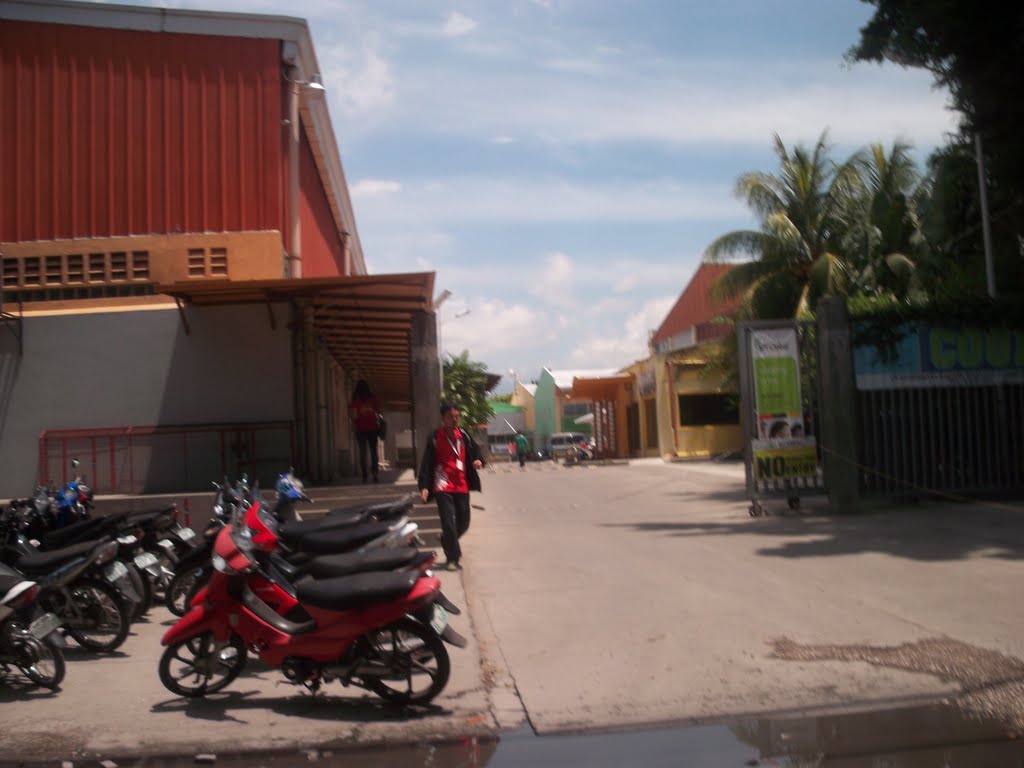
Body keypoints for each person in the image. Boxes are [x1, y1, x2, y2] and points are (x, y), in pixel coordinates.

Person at [418, 401, 484, 570]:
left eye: (456, 417)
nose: (454, 420)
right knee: (448, 523)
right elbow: (427, 463)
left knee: (464, 522)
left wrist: (478, 460)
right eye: (450, 417)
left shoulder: (463, 435)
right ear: (443, 418)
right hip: (443, 484)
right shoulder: (435, 437)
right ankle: (452, 559)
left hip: (461, 484)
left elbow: (475, 451)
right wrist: (425, 486)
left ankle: (446, 539)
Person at [350, 379, 382, 483]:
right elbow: (379, 411)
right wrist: (371, 411)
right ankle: (375, 474)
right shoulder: (373, 399)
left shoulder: (355, 400)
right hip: (373, 429)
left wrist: (360, 414)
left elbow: (353, 416)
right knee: (373, 452)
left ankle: (365, 475)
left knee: (363, 453)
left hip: (361, 430)